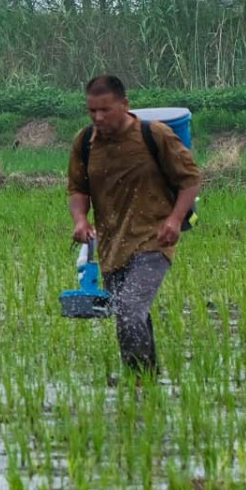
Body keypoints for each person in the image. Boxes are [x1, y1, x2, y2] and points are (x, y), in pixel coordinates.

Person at [66, 73, 198, 375]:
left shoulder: (156, 135)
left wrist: (175, 220)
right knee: (132, 313)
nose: (98, 117)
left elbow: (190, 178)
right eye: (92, 111)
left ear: (125, 105)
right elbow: (77, 188)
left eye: (105, 110)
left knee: (127, 311)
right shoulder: (85, 142)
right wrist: (80, 220)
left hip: (155, 240)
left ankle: (137, 381)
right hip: (112, 246)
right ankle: (149, 379)